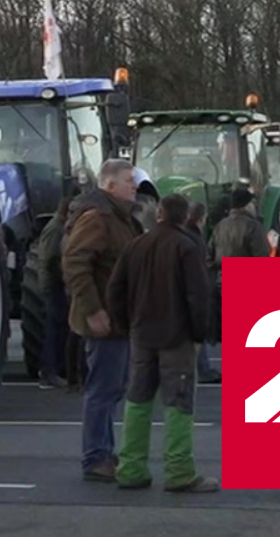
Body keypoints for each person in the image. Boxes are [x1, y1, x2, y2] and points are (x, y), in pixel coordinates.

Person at [107, 193, 219, 493]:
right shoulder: (186, 247)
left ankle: (131, 468)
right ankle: (179, 471)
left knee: (138, 400)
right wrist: (198, 336)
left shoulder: (135, 246)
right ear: (185, 218)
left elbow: (115, 289)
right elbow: (198, 296)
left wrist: (124, 324)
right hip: (176, 338)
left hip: (142, 336)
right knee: (178, 403)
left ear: (159, 215)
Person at [62, 158, 144, 482]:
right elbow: (75, 263)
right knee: (102, 389)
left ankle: (104, 453)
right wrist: (93, 310)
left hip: (119, 318)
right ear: (109, 185)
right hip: (104, 320)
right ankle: (96, 457)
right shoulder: (99, 218)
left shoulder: (121, 218)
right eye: (128, 181)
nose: (134, 186)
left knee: (111, 389)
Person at [34, 195, 74, 389]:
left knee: (59, 328)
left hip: (55, 284)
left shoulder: (58, 227)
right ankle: (49, 372)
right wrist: (66, 277)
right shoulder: (56, 229)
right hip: (53, 286)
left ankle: (57, 369)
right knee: (54, 329)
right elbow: (51, 260)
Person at [183, 202, 221, 384]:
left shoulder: (183, 234)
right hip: (193, 291)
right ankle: (203, 369)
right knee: (199, 330)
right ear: (202, 218)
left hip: (184, 290)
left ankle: (200, 368)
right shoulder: (195, 238)